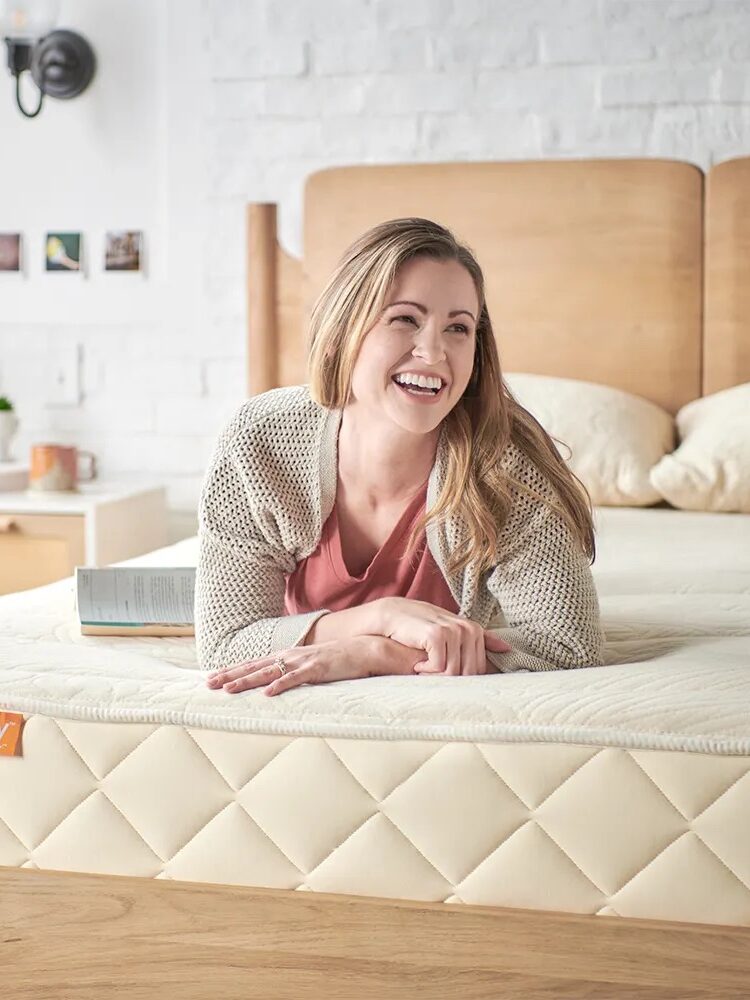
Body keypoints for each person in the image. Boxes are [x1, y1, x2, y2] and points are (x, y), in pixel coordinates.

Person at [198, 217, 605, 697]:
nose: (434, 353)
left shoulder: (507, 464)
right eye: (405, 319)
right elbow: (225, 642)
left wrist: (379, 654)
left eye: (458, 328)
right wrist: (381, 618)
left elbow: (568, 645)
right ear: (344, 328)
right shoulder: (258, 440)